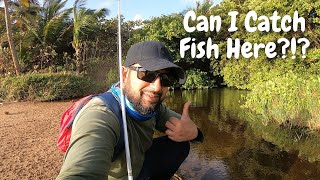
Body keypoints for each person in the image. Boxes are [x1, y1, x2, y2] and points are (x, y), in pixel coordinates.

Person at [56, 41, 204, 180]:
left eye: (166, 79)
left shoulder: (153, 107)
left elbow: (184, 126)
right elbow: (81, 173)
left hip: (139, 168)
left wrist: (194, 132)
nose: (157, 87)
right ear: (125, 74)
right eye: (147, 74)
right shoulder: (101, 115)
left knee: (180, 145)